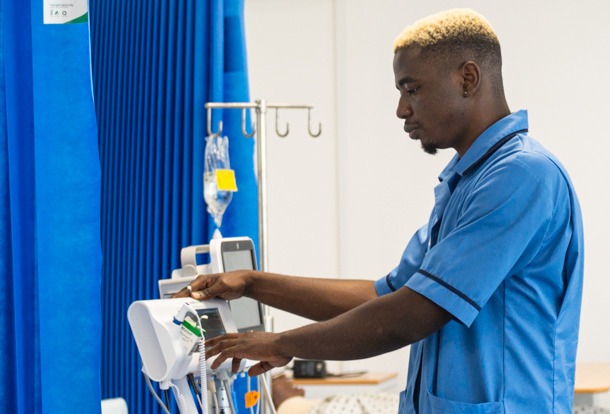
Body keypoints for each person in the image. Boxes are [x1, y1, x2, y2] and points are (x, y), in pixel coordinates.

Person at [175, 9, 584, 413]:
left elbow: (409, 316)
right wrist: (251, 283)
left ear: (468, 79)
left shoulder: (521, 177)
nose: (401, 110)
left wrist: (282, 344)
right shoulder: (468, 184)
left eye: (412, 89)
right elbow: (381, 297)